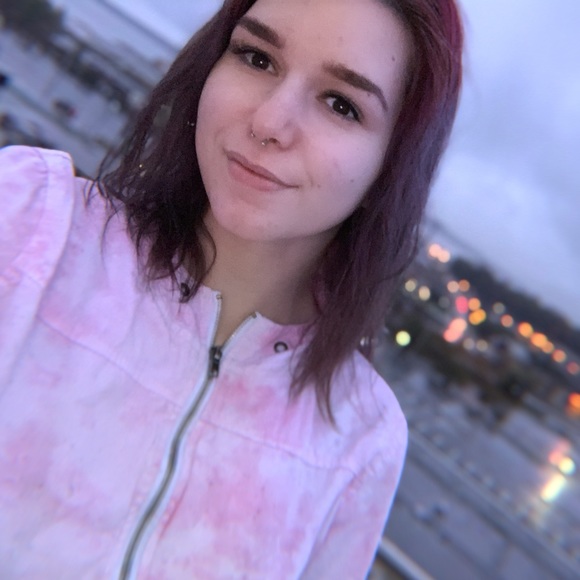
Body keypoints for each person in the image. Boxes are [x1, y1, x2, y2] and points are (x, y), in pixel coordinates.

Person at [0, 0, 462, 577]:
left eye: (341, 104)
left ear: (390, 167)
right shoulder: (27, 224)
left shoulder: (359, 438)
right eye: (256, 57)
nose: (270, 122)